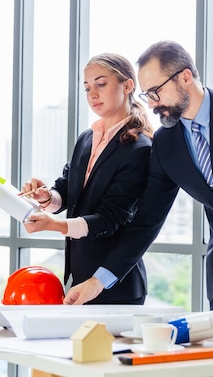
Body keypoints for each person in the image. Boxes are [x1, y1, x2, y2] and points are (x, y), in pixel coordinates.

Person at [73, 40, 213, 340]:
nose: (151, 103)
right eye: (146, 94)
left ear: (185, 77)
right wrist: (98, 281)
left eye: (156, 91)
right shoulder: (167, 144)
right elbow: (147, 220)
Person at [20, 53, 155, 305]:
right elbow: (67, 191)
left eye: (101, 84)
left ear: (128, 86)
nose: (93, 94)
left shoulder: (140, 149)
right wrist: (47, 197)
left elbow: (109, 219)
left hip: (117, 288)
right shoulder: (86, 138)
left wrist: (53, 225)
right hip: (80, 279)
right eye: (87, 87)